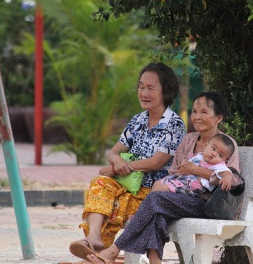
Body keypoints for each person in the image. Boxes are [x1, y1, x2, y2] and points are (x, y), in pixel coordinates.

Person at [86, 91, 241, 264]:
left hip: (206, 204)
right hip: (179, 198)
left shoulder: (226, 144)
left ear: (218, 118)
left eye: (204, 112)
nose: (197, 117)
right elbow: (173, 171)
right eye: (195, 111)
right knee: (157, 213)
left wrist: (197, 171)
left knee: (154, 200)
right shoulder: (189, 139)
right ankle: (155, 261)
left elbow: (234, 180)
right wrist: (179, 176)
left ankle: (114, 250)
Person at [69, 62, 186, 262]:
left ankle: (97, 254)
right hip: (127, 185)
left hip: (152, 194)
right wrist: (116, 162)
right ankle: (93, 237)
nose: (143, 93)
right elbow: (114, 152)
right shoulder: (138, 120)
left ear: (165, 92)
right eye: (141, 87)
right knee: (100, 182)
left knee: (116, 206)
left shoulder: (174, 124)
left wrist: (126, 166)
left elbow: (157, 162)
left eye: (150, 88)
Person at [152, 133, 235, 195]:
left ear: (224, 160)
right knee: (157, 183)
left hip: (192, 185)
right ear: (206, 145)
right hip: (181, 178)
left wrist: (227, 177)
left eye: (220, 155)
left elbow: (226, 172)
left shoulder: (218, 165)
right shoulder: (200, 155)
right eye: (213, 148)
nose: (214, 154)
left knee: (160, 189)